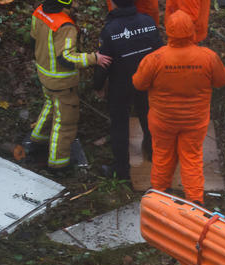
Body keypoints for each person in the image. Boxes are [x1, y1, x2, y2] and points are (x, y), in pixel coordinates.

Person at [132, 9, 225, 204]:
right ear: (192, 30)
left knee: (162, 156)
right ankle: (195, 201)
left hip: (163, 121)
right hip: (195, 121)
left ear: (168, 31)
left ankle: (160, 195)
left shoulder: (155, 59)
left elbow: (138, 83)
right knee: (191, 158)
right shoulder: (207, 57)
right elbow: (222, 80)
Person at [28, 0, 111, 174]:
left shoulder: (40, 12)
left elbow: (33, 39)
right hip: (61, 82)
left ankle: (37, 142)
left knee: (50, 107)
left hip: (45, 74)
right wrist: (93, 58)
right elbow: (66, 58)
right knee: (65, 122)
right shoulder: (65, 26)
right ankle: (59, 164)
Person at [94, 0, 163, 180]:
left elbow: (104, 62)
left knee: (119, 125)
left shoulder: (110, 30)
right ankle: (154, 153)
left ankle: (121, 170)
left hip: (120, 84)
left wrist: (97, 85)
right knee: (149, 117)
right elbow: (160, 52)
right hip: (147, 81)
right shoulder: (148, 22)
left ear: (114, 4)